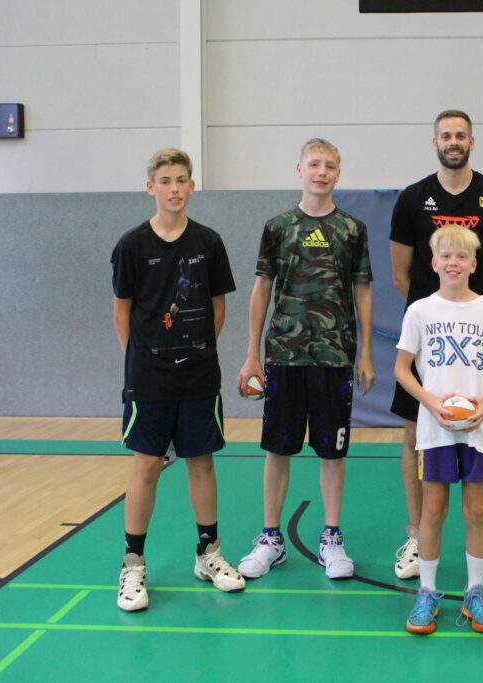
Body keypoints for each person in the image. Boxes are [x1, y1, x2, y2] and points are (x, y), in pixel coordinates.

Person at [235, 138, 374, 581]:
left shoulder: (352, 229)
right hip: (283, 356)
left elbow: (362, 291)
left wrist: (366, 354)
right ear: (299, 169)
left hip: (335, 357)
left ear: (338, 173)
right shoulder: (278, 227)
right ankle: (270, 539)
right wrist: (251, 356)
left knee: (332, 452)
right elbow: (261, 289)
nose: (322, 172)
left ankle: (331, 537)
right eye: (314, 164)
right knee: (278, 448)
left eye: (330, 165)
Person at [389, 109, 483, 581]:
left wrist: (468, 311)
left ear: (471, 141)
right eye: (446, 135)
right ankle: (416, 533)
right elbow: (401, 273)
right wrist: (438, 309)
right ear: (435, 142)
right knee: (415, 436)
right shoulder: (412, 198)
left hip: (473, 345)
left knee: (481, 437)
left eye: (460, 135)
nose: (453, 141)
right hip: (431, 342)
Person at [111, 148, 244, 612]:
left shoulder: (209, 242)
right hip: (148, 379)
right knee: (147, 465)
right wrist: (143, 361)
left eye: (181, 180)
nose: (174, 188)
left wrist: (195, 353)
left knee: (201, 462)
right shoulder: (131, 245)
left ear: (192, 186)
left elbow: (218, 309)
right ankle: (133, 564)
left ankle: (208, 553)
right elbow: (123, 312)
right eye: (165, 180)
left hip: (199, 376)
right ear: (151, 187)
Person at [394, 225, 483, 634]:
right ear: (433, 263)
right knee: (432, 510)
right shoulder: (420, 311)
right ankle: (427, 592)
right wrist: (431, 402)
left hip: (479, 430)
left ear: (474, 264)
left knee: (478, 512)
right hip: (436, 430)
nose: (454, 263)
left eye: (462, 257)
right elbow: (402, 368)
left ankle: (475, 593)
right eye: (446, 256)